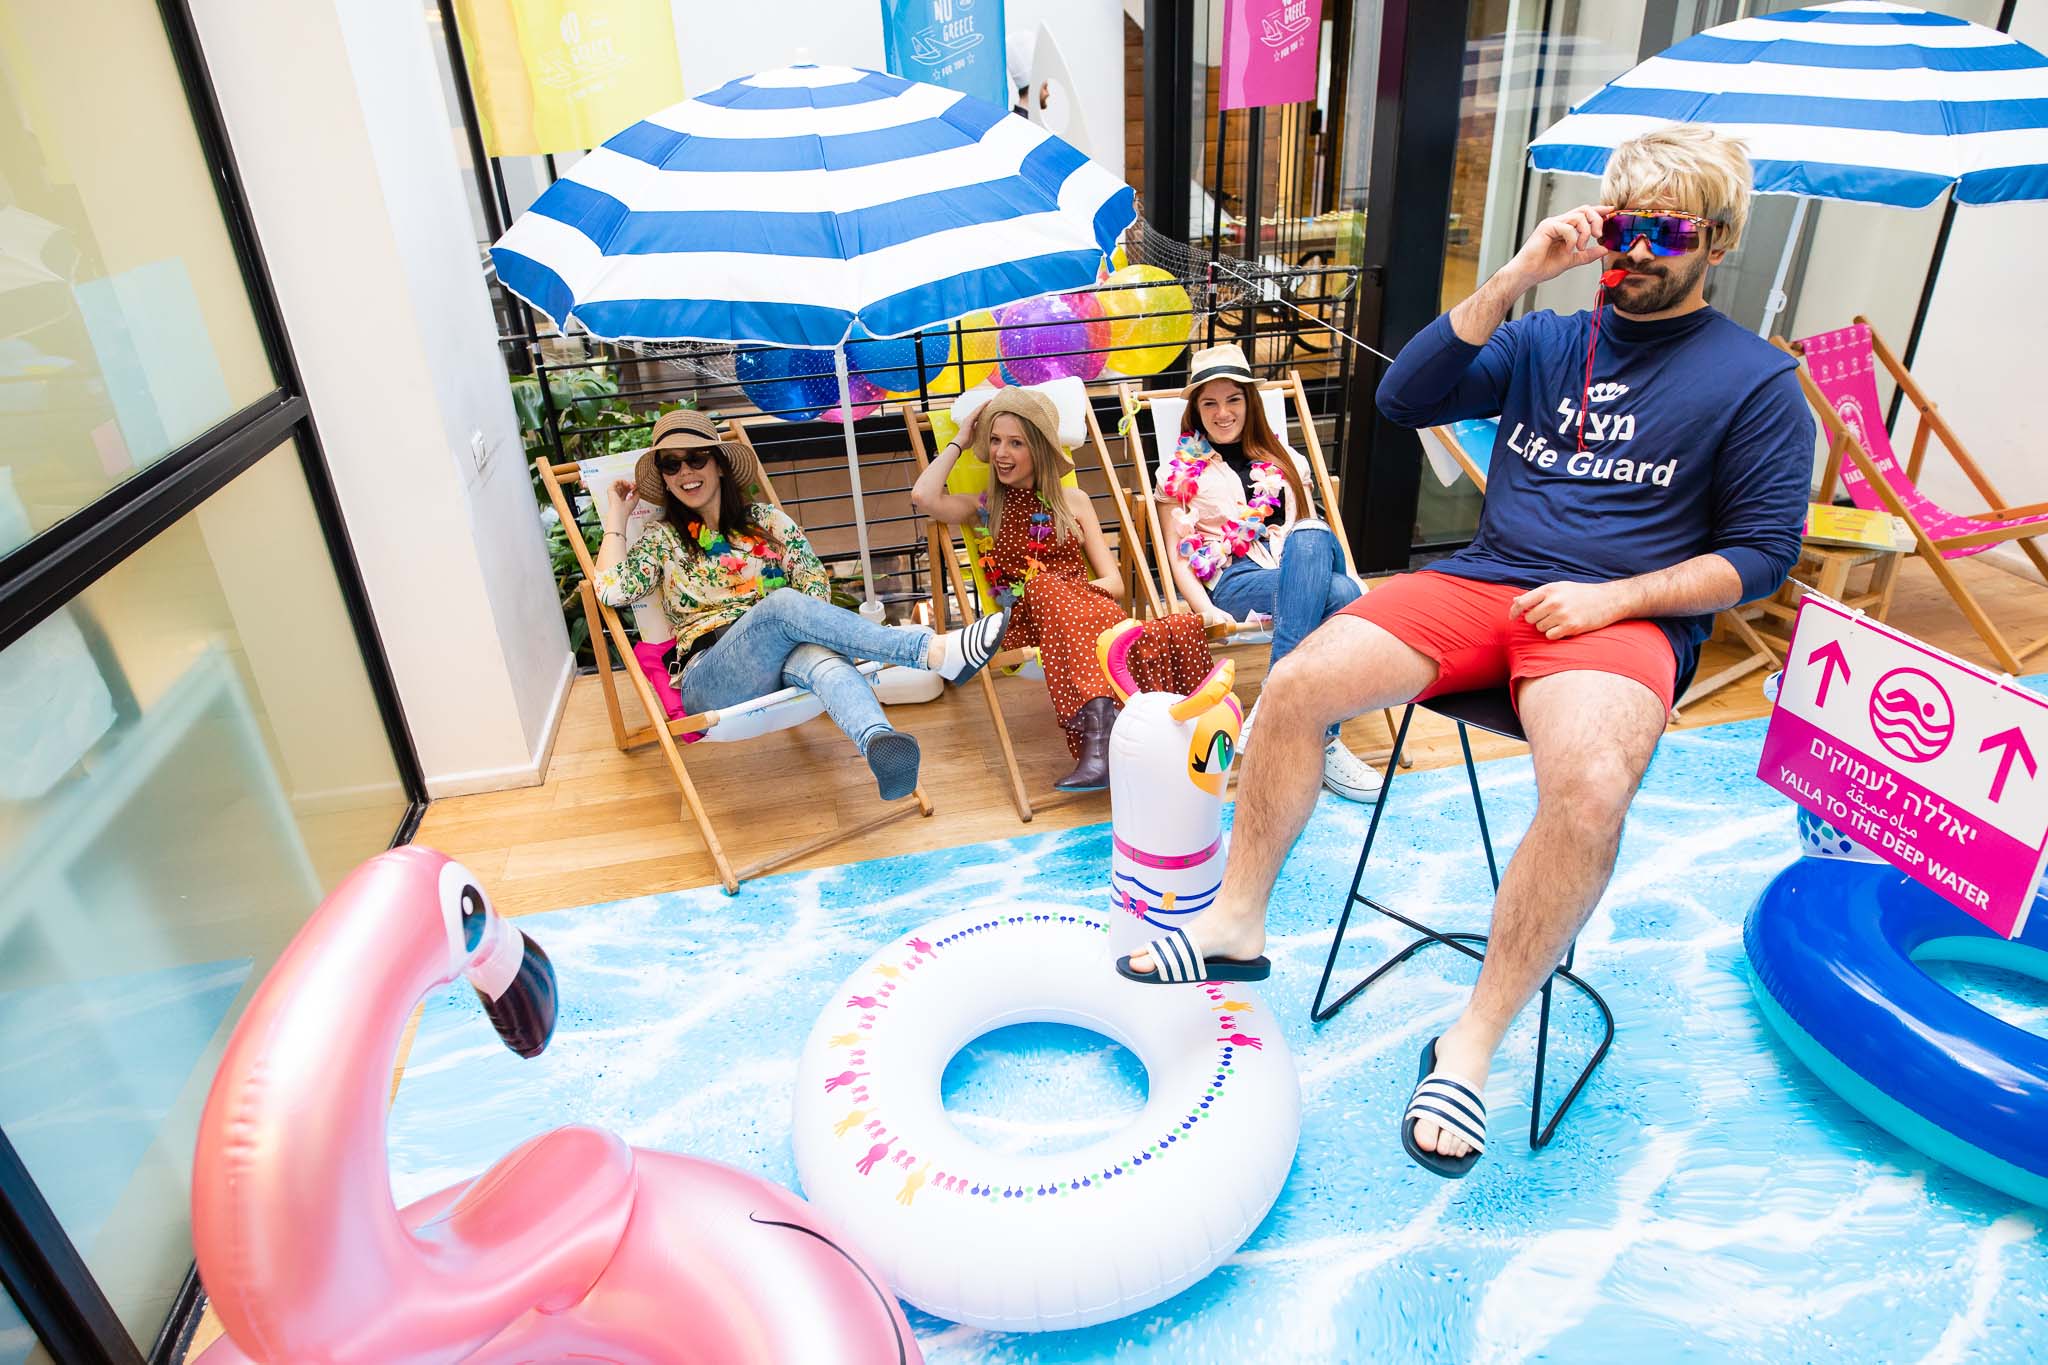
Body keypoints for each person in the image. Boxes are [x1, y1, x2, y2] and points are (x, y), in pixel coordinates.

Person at [1118, 126, 1812, 1178]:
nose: (1634, 250)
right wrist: (1522, 272)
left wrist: (1613, 598)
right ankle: (1237, 921)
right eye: (1621, 225)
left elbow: (1759, 557)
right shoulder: (1545, 340)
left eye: (1666, 233)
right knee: (1297, 681)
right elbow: (1404, 398)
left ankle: (1470, 1043)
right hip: (1485, 583)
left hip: (1620, 616)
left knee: (1589, 789)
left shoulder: (1756, 381)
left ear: (1716, 242)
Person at [595, 410, 1006, 801]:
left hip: (782, 658)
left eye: (696, 458)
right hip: (711, 677)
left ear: (719, 464)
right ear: (665, 479)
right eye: (671, 465)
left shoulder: (768, 522)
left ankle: (879, 742)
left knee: (818, 657)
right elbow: (612, 591)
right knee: (781, 606)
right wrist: (618, 513)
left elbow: (814, 589)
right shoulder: (661, 539)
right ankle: (930, 651)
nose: (685, 472)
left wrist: (785, 631)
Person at [910, 388, 1214, 790]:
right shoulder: (983, 508)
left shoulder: (1074, 501)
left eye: (1016, 443)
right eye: (995, 440)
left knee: (1173, 625)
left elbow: (1114, 583)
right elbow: (923, 496)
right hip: (1030, 620)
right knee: (1042, 586)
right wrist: (961, 439)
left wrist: (1072, 597)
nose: (1001, 452)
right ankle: (1102, 735)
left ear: (1039, 450)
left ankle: (1119, 738)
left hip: (1091, 613)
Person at [1158, 342, 1383, 802]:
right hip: (1236, 582)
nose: (1223, 413)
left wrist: (1311, 553)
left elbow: (1307, 530)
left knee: (1312, 536)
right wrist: (1204, 609)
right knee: (1341, 596)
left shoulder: (1288, 461)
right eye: (1210, 403)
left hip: (1295, 564)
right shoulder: (1178, 474)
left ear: (1250, 402)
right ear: (1196, 410)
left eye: (1233, 399)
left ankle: (1273, 699)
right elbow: (1177, 555)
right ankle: (1324, 742)